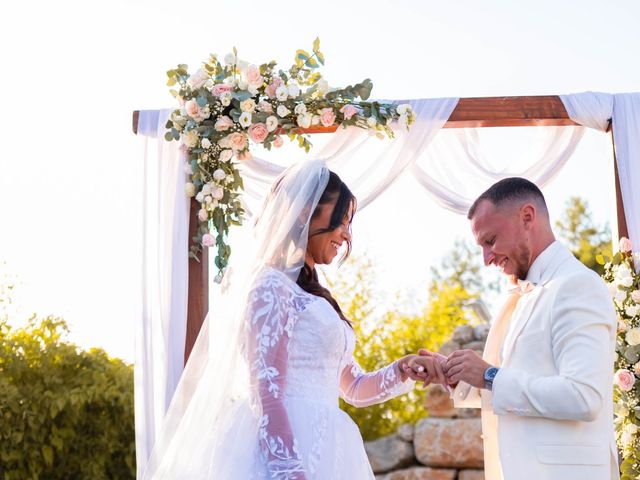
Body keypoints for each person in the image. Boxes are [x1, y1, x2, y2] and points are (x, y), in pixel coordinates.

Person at [141, 160, 420, 479]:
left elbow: (352, 387)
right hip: (284, 450)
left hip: (329, 447)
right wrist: (288, 470)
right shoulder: (271, 286)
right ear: (305, 213)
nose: (346, 234)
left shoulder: (313, 295)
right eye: (341, 220)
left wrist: (402, 370)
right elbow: (267, 390)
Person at [406, 177, 619, 480]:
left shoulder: (577, 285)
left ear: (527, 217)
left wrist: (490, 375)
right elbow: (520, 389)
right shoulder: (525, 294)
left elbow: (584, 396)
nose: (486, 258)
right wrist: (460, 376)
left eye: (490, 240)